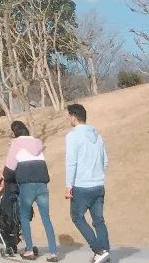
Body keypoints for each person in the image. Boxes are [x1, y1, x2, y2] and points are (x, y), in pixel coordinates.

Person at [4, 120, 58, 261]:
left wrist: (7, 178)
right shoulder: (37, 142)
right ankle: (53, 253)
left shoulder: (16, 144)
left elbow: (9, 170)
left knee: (24, 217)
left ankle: (29, 250)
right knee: (46, 218)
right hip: (42, 184)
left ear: (14, 132)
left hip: (27, 186)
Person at [65, 103, 110, 263]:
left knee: (77, 217)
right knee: (98, 221)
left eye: (68, 115)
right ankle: (104, 254)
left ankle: (98, 250)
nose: (67, 118)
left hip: (81, 186)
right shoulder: (97, 135)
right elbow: (105, 161)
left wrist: (68, 186)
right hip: (98, 185)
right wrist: (97, 175)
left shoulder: (73, 136)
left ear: (73, 117)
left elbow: (71, 163)